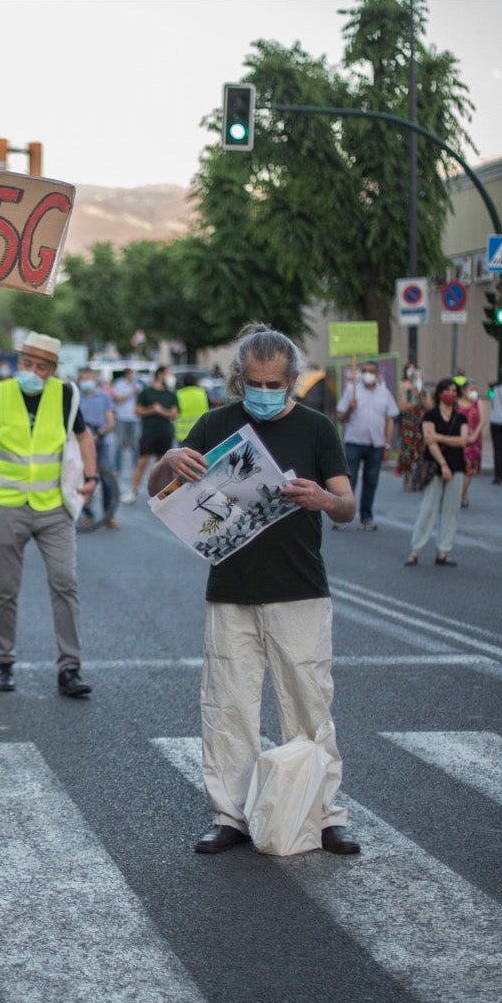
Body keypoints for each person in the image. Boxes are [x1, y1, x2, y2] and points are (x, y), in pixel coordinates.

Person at [148, 323, 360, 857]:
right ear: (239, 379)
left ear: (292, 380)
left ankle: (326, 812)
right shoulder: (217, 422)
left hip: (299, 587)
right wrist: (168, 461)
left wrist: (322, 499)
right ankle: (232, 814)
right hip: (231, 589)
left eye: (274, 383)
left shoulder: (316, 429)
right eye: (254, 382)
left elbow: (347, 505)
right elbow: (161, 489)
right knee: (228, 706)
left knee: (309, 702)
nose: (263, 393)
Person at [0, 331, 97, 698]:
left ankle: (70, 667)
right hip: (6, 506)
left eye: (41, 366)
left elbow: (84, 436)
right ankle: (3, 662)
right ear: (18, 362)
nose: (32, 371)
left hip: (54, 507)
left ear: (53, 370)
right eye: (27, 363)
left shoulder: (66, 395)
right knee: (5, 589)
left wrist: (92, 475)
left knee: (64, 583)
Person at [404, 379, 470, 568]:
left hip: (457, 466)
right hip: (435, 466)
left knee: (452, 510)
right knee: (428, 508)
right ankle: (415, 550)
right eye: (448, 390)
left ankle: (443, 551)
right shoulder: (430, 416)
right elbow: (429, 442)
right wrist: (443, 465)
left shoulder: (461, 418)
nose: (451, 393)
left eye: (454, 391)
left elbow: (463, 441)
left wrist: (440, 437)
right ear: (440, 392)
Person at [334, 360, 397, 530]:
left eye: (371, 371)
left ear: (377, 374)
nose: (368, 374)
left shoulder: (385, 393)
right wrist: (349, 409)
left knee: (371, 481)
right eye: (365, 371)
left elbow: (390, 420)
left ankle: (366, 517)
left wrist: (387, 445)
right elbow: (340, 418)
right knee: (350, 479)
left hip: (376, 444)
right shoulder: (351, 391)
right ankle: (343, 516)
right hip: (354, 442)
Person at [76, 368, 120, 531]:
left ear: (95, 379)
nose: (86, 381)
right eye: (83, 378)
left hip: (101, 441)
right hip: (80, 444)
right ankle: (87, 515)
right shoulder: (75, 397)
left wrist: (98, 433)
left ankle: (109, 516)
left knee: (107, 480)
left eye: (89, 378)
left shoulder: (104, 397)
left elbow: (110, 421)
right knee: (81, 479)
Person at [130, 365, 178, 500]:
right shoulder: (146, 393)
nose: (170, 377)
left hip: (165, 432)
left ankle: (160, 494)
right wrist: (152, 410)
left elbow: (173, 414)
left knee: (161, 465)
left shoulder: (171, 394)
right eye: (168, 374)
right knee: (142, 463)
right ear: (160, 374)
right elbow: (138, 411)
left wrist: (160, 411)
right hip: (149, 432)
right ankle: (133, 491)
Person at [394, 365, 429, 488]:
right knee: (407, 453)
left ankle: (419, 478)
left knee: (421, 452)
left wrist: (421, 397)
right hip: (408, 426)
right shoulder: (406, 391)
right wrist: (414, 401)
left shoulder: (424, 391)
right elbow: (403, 408)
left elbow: (429, 407)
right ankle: (407, 478)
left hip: (421, 426)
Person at [456, 379, 486, 508]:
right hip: (457, 440)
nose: (474, 392)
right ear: (463, 390)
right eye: (471, 389)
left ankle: (461, 494)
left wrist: (474, 436)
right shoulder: (456, 404)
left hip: (473, 441)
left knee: (469, 469)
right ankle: (462, 494)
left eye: (475, 389)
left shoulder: (478, 403)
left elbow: (482, 421)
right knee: (457, 469)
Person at [111, 368, 140, 482]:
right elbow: (117, 399)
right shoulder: (119, 384)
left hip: (134, 418)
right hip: (122, 417)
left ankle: (136, 468)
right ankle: (117, 468)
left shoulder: (137, 385)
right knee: (119, 444)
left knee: (135, 445)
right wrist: (132, 392)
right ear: (127, 374)